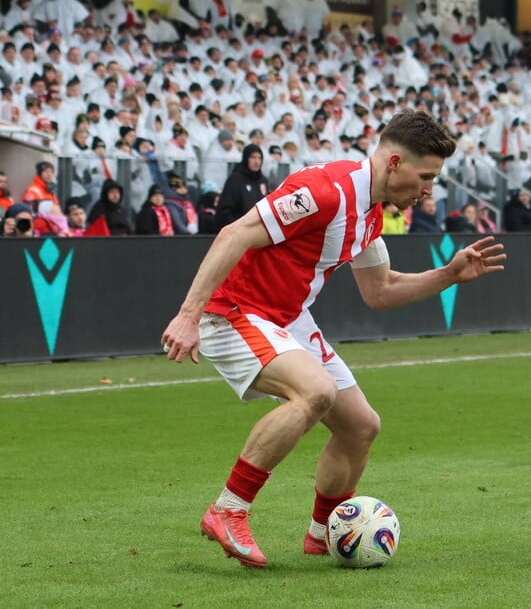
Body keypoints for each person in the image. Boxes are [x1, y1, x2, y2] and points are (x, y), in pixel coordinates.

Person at [160, 110, 506, 569]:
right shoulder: (326, 191)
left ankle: (322, 533)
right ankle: (228, 509)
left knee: (361, 426)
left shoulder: (371, 215)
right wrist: (188, 315)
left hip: (287, 318)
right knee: (316, 392)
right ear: (396, 163)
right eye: (426, 177)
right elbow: (235, 233)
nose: (428, 191)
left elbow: (380, 291)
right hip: (234, 310)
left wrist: (447, 275)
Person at [215, 143, 268, 229]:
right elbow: (225, 210)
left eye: (259, 158)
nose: (257, 161)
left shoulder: (263, 181)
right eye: (253, 157)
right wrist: (237, 226)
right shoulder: (235, 179)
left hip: (258, 229)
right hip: (239, 229)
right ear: (246, 158)